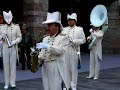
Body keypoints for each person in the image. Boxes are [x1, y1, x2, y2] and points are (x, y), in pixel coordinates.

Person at [36, 11, 71, 90]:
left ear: (57, 27)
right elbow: (42, 53)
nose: (48, 27)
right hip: (45, 67)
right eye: (48, 25)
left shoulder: (64, 38)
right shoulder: (45, 38)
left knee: (55, 87)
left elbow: (60, 50)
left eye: (50, 25)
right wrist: (37, 58)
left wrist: (47, 47)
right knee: (46, 87)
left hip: (56, 66)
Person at [62, 13, 86, 90]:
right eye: (68, 20)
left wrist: (75, 41)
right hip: (66, 51)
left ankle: (73, 85)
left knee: (74, 69)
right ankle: (66, 85)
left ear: (75, 21)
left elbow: (83, 40)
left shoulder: (79, 29)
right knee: (66, 69)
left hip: (74, 50)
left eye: (71, 20)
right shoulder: (64, 29)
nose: (69, 21)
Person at [0, 10, 22, 89]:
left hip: (13, 47)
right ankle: (6, 83)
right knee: (6, 66)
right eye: (7, 20)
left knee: (13, 66)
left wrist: (15, 41)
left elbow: (20, 37)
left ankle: (12, 82)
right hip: (5, 48)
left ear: (12, 19)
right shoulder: (1, 27)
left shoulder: (16, 27)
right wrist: (1, 37)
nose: (8, 22)